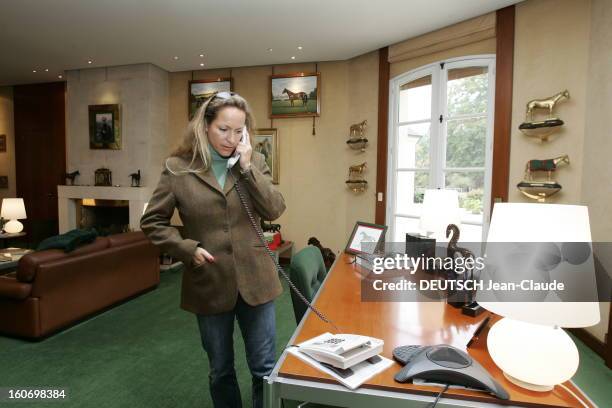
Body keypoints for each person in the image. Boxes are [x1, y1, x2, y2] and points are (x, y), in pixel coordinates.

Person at [140, 92, 286, 408]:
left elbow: (274, 209)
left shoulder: (254, 162)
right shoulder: (177, 168)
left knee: (264, 369)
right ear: (205, 125)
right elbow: (152, 221)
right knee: (220, 371)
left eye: (238, 131)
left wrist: (247, 168)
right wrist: (186, 248)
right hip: (208, 281)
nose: (231, 138)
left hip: (257, 281)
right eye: (223, 129)